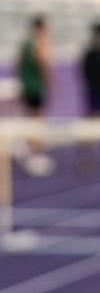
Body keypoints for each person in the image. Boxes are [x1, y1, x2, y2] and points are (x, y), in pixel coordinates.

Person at [16, 15, 54, 176]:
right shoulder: (38, 45)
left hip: (27, 87)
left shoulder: (24, 46)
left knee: (32, 119)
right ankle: (36, 153)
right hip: (36, 88)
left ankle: (31, 152)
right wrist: (51, 85)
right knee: (37, 120)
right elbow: (43, 66)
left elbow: (17, 66)